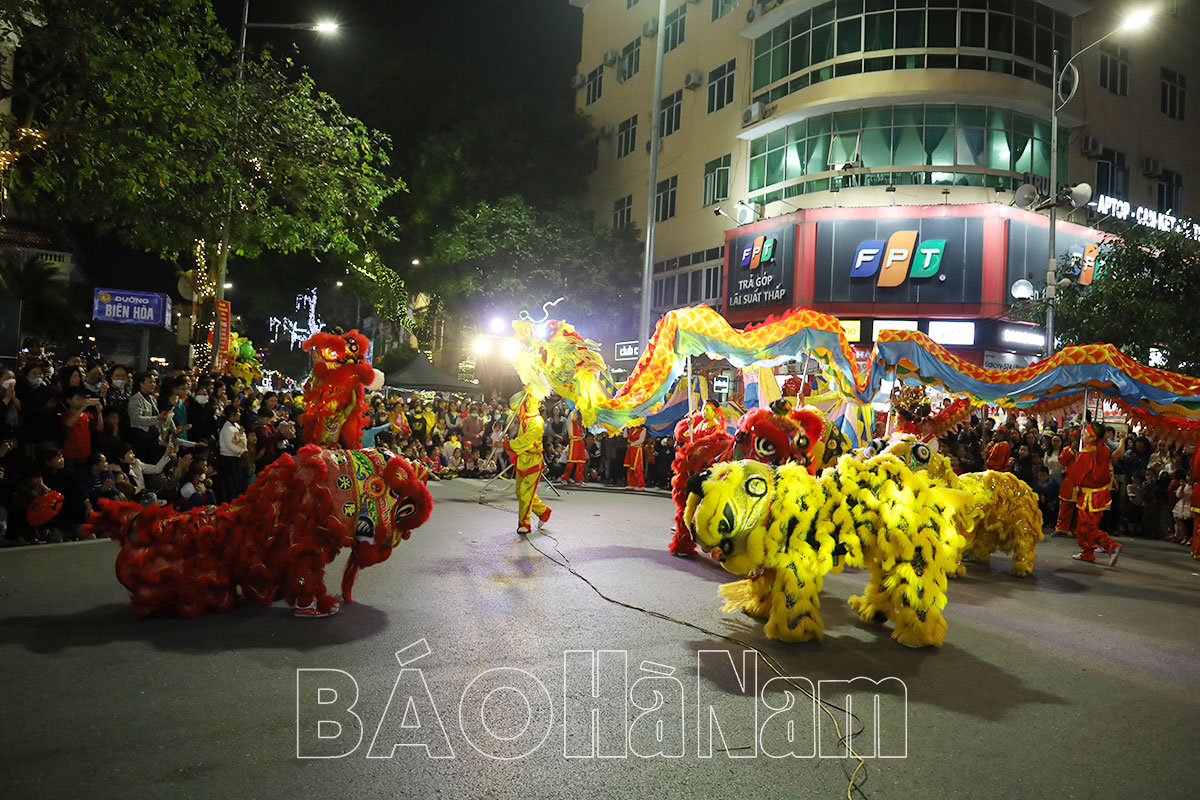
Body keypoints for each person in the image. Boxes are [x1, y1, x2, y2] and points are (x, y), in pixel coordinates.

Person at [1062, 421, 1122, 565]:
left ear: (1092, 437)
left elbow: (1077, 473)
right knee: (1087, 526)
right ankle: (1087, 553)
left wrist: (1074, 480)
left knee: (1086, 528)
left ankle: (1111, 546)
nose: (1082, 436)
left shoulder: (1087, 453)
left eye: (1085, 434)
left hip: (1089, 496)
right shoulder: (1103, 450)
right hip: (1100, 494)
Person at [505, 392, 551, 535]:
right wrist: (525, 390)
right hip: (522, 460)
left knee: (525, 493)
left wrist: (506, 444)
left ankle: (524, 523)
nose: (529, 402)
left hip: (532, 460)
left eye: (533, 399)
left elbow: (526, 441)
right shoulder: (524, 416)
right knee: (520, 492)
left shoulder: (537, 421)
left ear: (539, 403)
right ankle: (543, 511)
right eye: (528, 399)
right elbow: (513, 403)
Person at [216, 404, 248, 502]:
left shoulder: (236, 425)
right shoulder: (227, 428)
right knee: (231, 484)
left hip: (236, 458)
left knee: (237, 482)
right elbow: (230, 445)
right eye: (238, 412)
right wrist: (242, 451)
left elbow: (239, 439)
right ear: (232, 414)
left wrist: (241, 433)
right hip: (228, 459)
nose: (239, 414)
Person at [562, 410, 587, 485]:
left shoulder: (581, 424)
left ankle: (579, 479)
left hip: (581, 442)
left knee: (581, 461)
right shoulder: (571, 422)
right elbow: (570, 416)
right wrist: (576, 408)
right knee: (571, 461)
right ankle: (564, 478)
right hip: (574, 442)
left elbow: (584, 433)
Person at [624, 423, 647, 490]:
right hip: (630, 450)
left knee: (637, 467)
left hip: (637, 450)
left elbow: (641, 440)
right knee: (630, 467)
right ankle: (632, 483)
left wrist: (631, 444)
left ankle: (641, 484)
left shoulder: (643, 430)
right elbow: (625, 436)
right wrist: (626, 427)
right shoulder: (632, 429)